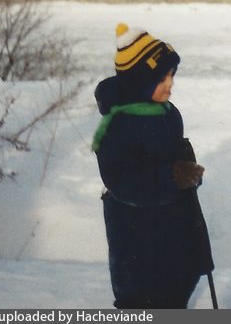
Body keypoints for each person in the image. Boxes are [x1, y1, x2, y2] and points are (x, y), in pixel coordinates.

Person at [91, 23, 214, 309]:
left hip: (174, 233)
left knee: (176, 290)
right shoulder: (117, 125)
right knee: (146, 300)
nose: (170, 84)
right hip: (138, 243)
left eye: (171, 75)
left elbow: (173, 160)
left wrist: (188, 170)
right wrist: (172, 177)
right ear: (139, 84)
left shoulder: (169, 114)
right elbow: (122, 181)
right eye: (162, 78)